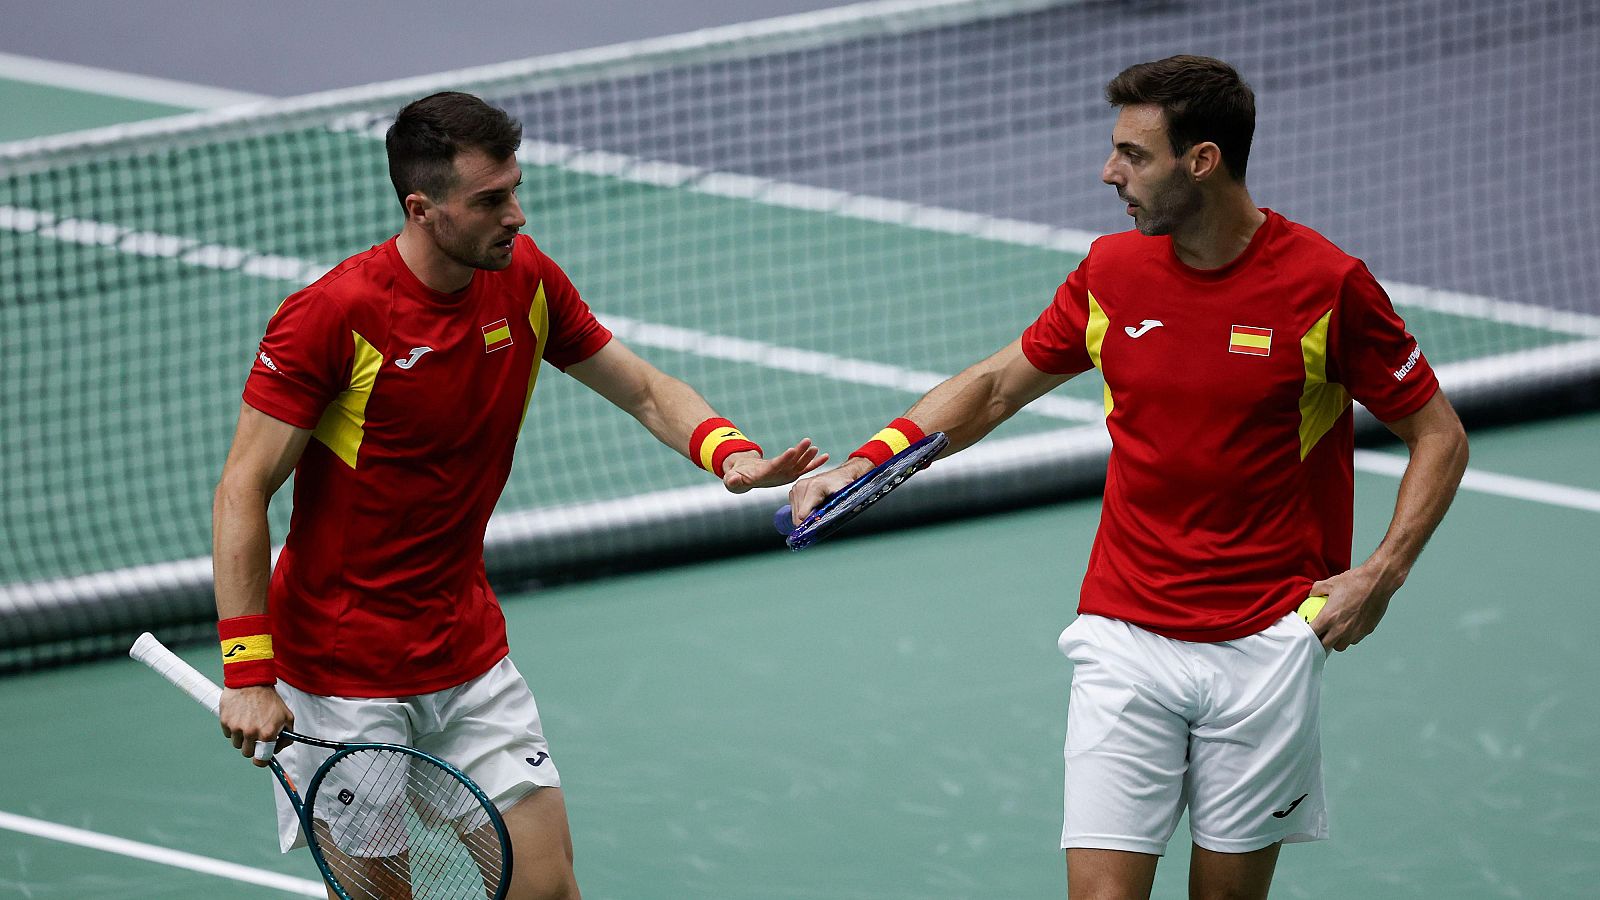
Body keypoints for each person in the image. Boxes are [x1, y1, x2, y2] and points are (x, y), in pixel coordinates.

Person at [788, 56, 1468, 900]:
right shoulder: (1113, 271)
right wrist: (870, 457)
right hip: (1125, 634)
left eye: (1133, 155)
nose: (1109, 172)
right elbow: (998, 384)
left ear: (1202, 160)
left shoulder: (1326, 286)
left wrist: (1382, 574)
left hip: (1265, 644)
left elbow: (1438, 435)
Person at [213, 90, 825, 900]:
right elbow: (242, 489)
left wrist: (732, 455)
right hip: (340, 674)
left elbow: (641, 388)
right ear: (422, 208)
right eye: (492, 199)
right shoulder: (335, 317)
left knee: (548, 890)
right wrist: (250, 669)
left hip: (465, 650)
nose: (519, 215)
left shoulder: (525, 280)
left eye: (516, 189)